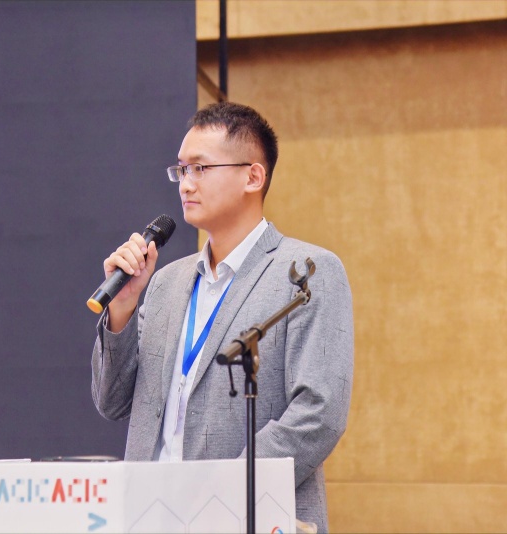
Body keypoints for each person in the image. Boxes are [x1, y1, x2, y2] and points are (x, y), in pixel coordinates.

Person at [91, 101, 353, 532]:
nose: (186, 184)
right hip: (150, 517)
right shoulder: (166, 282)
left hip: (246, 517)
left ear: (253, 177)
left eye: (200, 168)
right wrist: (122, 308)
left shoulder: (306, 271)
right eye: (181, 170)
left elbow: (318, 414)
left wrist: (223, 494)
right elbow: (111, 403)